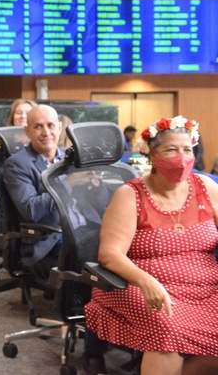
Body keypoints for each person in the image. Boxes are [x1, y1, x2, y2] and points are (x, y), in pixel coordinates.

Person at [86, 116, 218, 375]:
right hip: (141, 286)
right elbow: (109, 255)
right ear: (152, 155)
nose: (182, 158)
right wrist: (146, 282)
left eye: (187, 149)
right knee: (168, 331)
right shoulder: (130, 195)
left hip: (206, 289)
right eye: (171, 150)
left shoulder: (206, 187)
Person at [2, 104, 66, 279]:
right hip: (49, 241)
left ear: (60, 128)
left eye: (51, 125)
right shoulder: (17, 164)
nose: (46, 132)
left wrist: (95, 186)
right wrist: (67, 184)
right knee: (94, 258)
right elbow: (31, 209)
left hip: (81, 230)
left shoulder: (70, 158)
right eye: (38, 127)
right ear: (27, 131)